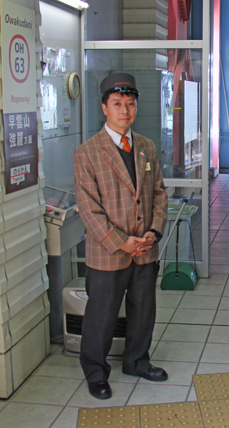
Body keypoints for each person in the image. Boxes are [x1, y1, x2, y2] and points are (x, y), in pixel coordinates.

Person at [73, 73, 168, 400]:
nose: (124, 110)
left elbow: (159, 193)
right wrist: (120, 240)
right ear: (104, 108)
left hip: (145, 249)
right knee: (101, 315)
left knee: (144, 310)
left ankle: (137, 361)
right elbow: (88, 208)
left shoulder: (146, 147)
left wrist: (153, 231)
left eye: (130, 104)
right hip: (108, 252)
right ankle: (96, 372)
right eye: (117, 104)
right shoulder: (87, 153)